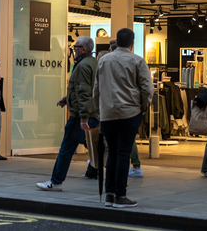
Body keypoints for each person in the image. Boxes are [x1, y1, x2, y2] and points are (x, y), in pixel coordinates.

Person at [93, 28, 152, 209]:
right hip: (129, 112)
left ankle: (109, 195)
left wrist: (98, 109)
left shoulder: (103, 60)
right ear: (132, 43)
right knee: (123, 153)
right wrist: (142, 107)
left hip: (108, 113)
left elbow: (96, 89)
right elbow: (147, 89)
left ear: (116, 42)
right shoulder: (137, 61)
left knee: (111, 152)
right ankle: (120, 195)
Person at [37, 36, 98, 191]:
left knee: (66, 149)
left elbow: (84, 92)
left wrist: (83, 117)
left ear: (84, 49)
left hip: (80, 117)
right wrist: (66, 99)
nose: (73, 50)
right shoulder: (93, 63)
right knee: (96, 148)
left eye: (75, 47)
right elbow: (87, 90)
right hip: (91, 113)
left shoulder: (83, 65)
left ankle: (56, 181)